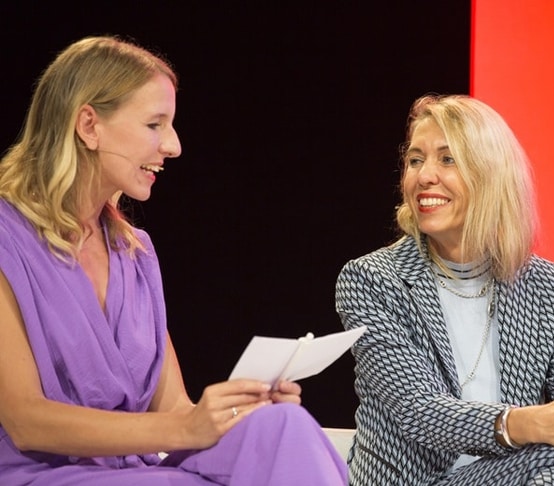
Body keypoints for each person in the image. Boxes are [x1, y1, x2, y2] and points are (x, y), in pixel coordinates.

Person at [0, 36, 347, 485]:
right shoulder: (8, 238)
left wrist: (238, 410)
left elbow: (176, 410)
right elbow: (28, 422)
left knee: (282, 426)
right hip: (39, 474)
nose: (174, 145)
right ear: (89, 125)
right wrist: (186, 426)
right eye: (155, 124)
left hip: (135, 470)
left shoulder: (135, 253)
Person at [335, 94, 554, 485]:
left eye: (447, 159)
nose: (424, 176)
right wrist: (536, 421)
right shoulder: (372, 280)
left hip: (507, 475)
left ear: (491, 175)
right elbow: (418, 412)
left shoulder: (551, 291)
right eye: (415, 160)